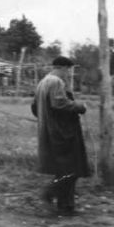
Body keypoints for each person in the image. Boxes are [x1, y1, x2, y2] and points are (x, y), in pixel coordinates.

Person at [31, 56, 90, 216]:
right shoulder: (56, 82)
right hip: (62, 134)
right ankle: (49, 193)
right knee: (72, 169)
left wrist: (46, 117)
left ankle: (66, 207)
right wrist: (80, 107)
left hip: (49, 132)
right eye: (68, 70)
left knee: (64, 170)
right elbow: (59, 103)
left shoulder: (43, 82)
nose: (68, 74)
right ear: (63, 68)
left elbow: (35, 108)